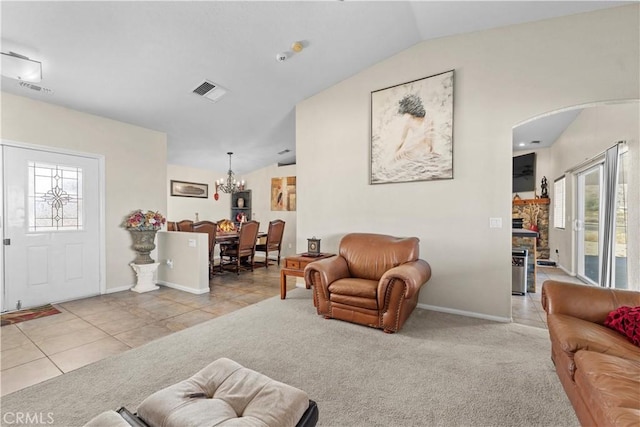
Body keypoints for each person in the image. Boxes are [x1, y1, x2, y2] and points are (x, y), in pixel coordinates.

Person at [394, 94, 435, 160]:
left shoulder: (428, 118)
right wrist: (395, 153)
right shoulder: (409, 121)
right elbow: (402, 140)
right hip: (411, 149)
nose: (407, 114)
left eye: (407, 112)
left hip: (420, 150)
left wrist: (430, 153)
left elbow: (429, 143)